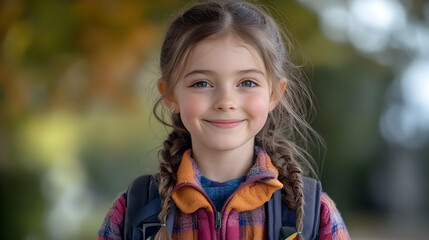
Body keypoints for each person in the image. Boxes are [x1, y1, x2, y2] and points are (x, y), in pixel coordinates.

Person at [98, 0, 350, 239]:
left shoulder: (313, 216)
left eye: (247, 82)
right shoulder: (132, 213)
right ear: (171, 94)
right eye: (202, 83)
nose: (225, 101)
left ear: (274, 94)